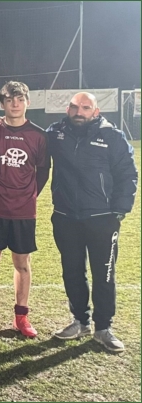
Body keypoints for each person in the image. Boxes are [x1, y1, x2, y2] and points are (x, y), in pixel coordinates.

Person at [47, 92, 138, 352]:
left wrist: (118, 211)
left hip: (102, 219)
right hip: (65, 217)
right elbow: (30, 139)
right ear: (68, 109)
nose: (79, 112)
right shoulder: (55, 133)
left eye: (86, 107)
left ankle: (103, 328)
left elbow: (128, 173)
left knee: (104, 274)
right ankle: (80, 321)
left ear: (96, 112)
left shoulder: (112, 136)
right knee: (72, 271)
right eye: (75, 107)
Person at [0, 81, 49, 338]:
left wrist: (28, 195)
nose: (14, 104)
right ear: (2, 103)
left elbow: (43, 171)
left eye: (19, 99)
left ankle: (21, 316)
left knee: (22, 262)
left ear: (27, 102)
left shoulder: (38, 135)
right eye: (9, 100)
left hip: (23, 211)